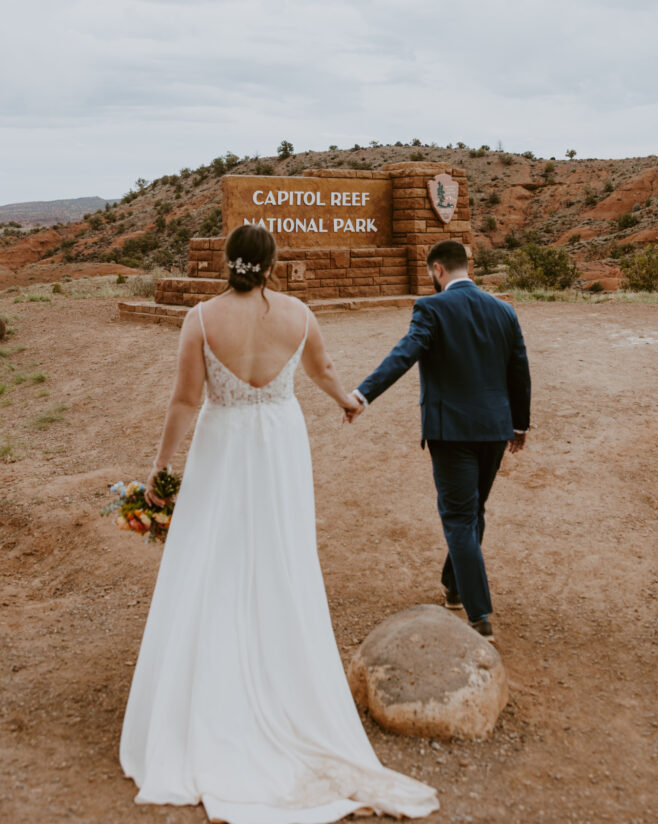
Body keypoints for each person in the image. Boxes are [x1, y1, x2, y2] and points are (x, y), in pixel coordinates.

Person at [119, 224, 439, 824]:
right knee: (279, 554)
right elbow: (322, 371)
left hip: (222, 443)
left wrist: (160, 469)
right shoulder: (298, 314)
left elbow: (186, 400)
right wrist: (348, 399)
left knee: (214, 555)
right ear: (273, 264)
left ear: (227, 262)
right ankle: (283, 678)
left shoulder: (201, 319)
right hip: (277, 444)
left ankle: (208, 694)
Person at [348, 240, 531, 644]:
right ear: (466, 266)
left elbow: (404, 354)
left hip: (451, 433)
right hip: (496, 431)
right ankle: (453, 585)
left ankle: (480, 613)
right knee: (473, 511)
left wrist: (363, 395)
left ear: (437, 270)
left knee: (459, 517)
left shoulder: (431, 308)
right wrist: (520, 426)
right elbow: (519, 368)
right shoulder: (504, 310)